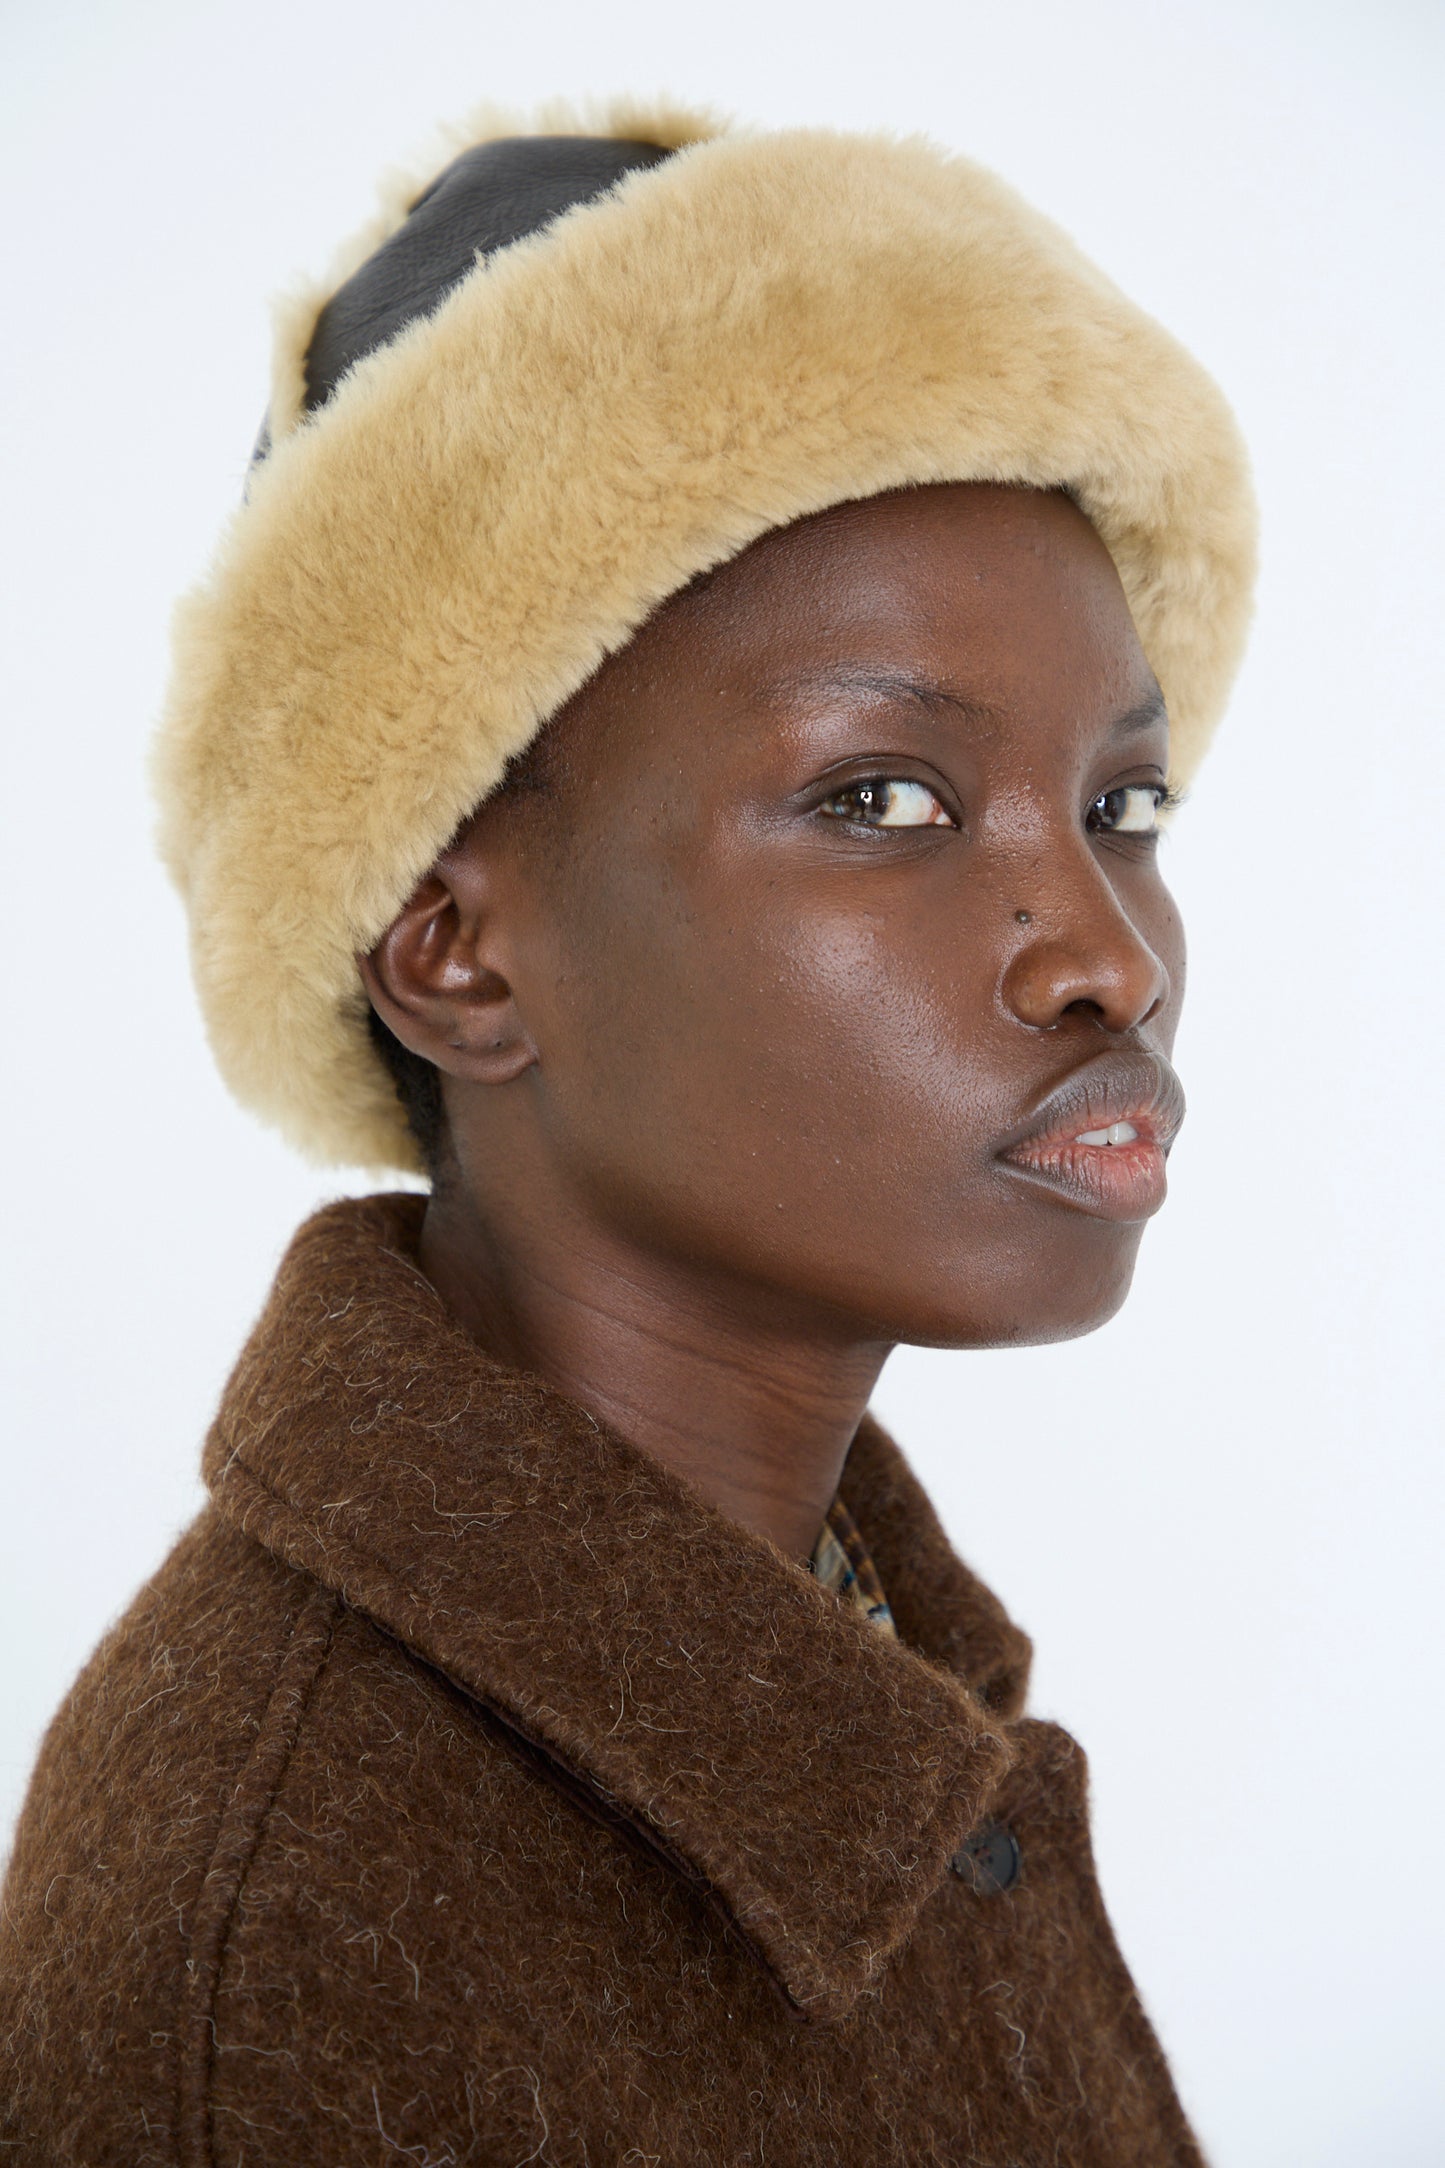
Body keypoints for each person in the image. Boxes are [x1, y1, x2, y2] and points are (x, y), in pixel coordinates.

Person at [0, 107, 1255, 2164]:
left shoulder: (843, 1619)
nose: (1106, 956)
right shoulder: (295, 1944)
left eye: (1121, 808)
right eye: (886, 802)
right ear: (457, 956)